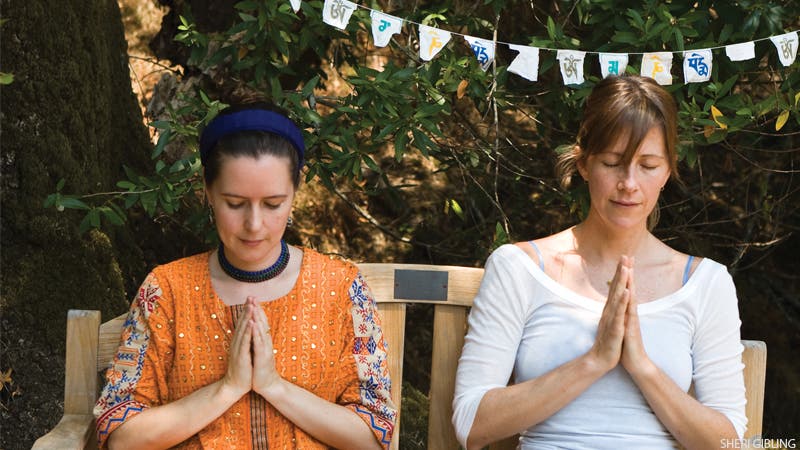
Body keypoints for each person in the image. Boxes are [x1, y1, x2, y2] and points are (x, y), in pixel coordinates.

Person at [452, 75, 746, 449]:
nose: (629, 183)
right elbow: (472, 423)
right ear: (584, 164)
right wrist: (593, 361)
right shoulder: (519, 268)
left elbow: (730, 443)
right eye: (612, 163)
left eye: (649, 166)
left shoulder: (706, 283)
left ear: (669, 170)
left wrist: (642, 367)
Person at [94, 103, 397, 449]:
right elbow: (121, 438)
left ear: (294, 193)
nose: (254, 225)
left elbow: (371, 439)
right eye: (235, 203)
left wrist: (274, 386)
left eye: (273, 204)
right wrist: (227, 388)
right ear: (208, 192)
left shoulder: (341, 289)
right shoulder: (167, 291)